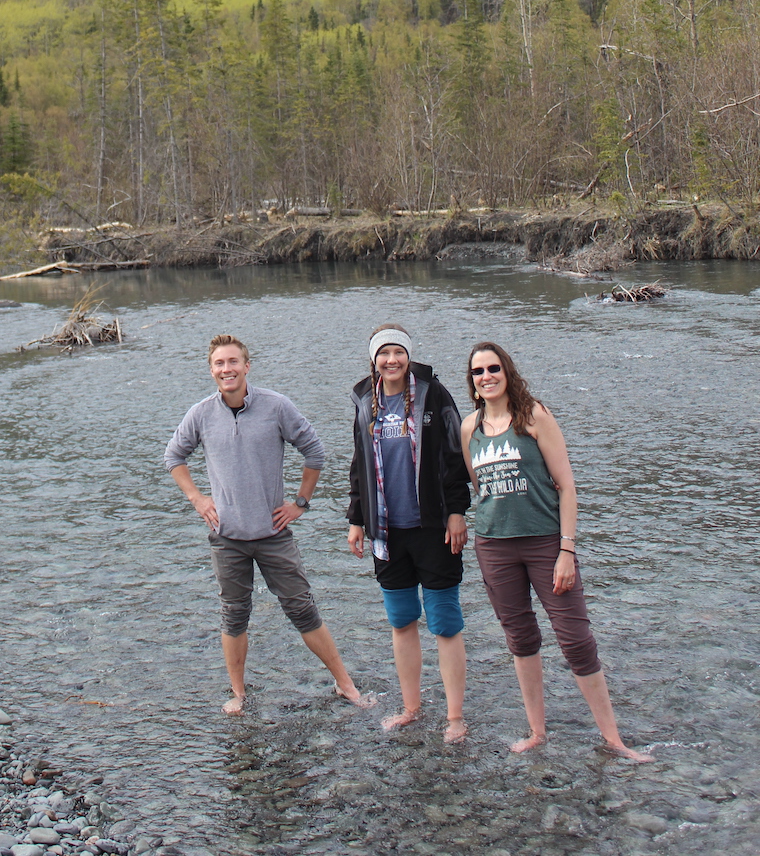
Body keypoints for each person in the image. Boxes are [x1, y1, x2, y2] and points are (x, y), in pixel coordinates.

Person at [461, 339, 651, 761]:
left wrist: (567, 550)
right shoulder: (468, 428)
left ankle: (613, 739)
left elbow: (566, 486)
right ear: (472, 382)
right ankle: (537, 731)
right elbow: (481, 491)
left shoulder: (534, 416)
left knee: (575, 639)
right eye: (478, 372)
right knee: (521, 638)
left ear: (507, 373)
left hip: (546, 543)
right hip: (493, 546)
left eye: (494, 368)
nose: (487, 377)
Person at [165, 333, 373, 716]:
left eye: (233, 362)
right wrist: (198, 499)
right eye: (219, 364)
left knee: (302, 609)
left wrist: (300, 503)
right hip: (227, 537)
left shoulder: (276, 407)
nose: (226, 369)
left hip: (274, 534)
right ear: (211, 370)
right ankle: (239, 694)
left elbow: (315, 451)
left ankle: (346, 684)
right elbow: (174, 457)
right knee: (234, 613)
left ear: (246, 366)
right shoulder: (201, 414)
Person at [347, 324, 471, 740]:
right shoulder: (367, 401)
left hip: (433, 526)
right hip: (388, 531)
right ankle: (412, 707)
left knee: (445, 623)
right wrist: (356, 519)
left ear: (409, 356)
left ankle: (455, 717)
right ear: (374, 360)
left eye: (397, 353)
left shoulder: (434, 395)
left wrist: (457, 512)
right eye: (383, 354)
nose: (391, 361)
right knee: (402, 622)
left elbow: (455, 456)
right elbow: (358, 465)